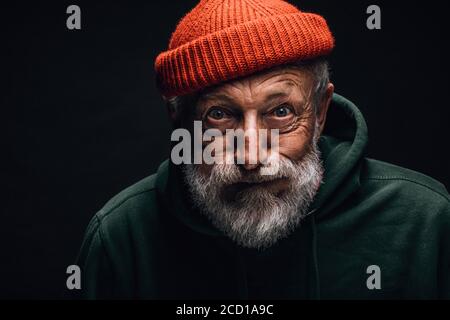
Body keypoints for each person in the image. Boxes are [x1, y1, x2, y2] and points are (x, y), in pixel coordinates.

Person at [73, 0, 450, 299]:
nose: (251, 157)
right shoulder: (121, 239)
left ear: (320, 112)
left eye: (281, 112)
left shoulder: (424, 222)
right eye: (219, 115)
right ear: (180, 120)